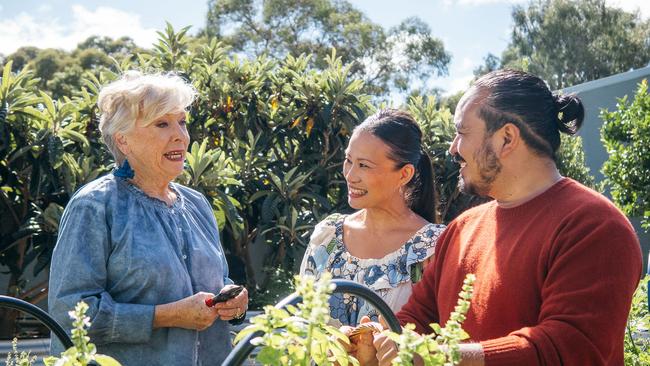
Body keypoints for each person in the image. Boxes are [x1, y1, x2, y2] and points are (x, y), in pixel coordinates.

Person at [367, 69, 643, 365]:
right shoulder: (460, 229)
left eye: (462, 132)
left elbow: (568, 350)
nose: (453, 149)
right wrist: (375, 339)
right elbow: (417, 318)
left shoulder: (595, 226)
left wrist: (441, 357)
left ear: (507, 138)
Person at [48, 71, 248, 366]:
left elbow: (215, 283)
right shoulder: (95, 205)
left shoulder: (197, 204)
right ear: (123, 140)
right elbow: (71, 313)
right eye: (162, 124)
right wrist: (166, 316)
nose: (180, 134)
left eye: (181, 121)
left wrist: (235, 303)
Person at [300, 109, 446, 326]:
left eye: (364, 165)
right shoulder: (327, 237)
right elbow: (300, 319)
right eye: (348, 160)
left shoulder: (431, 248)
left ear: (404, 174)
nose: (350, 175)